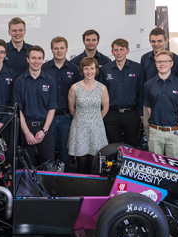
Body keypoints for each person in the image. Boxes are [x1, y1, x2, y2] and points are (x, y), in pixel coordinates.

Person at [140, 28, 178, 146]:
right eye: (153, 41)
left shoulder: (176, 59)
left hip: (171, 104)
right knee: (152, 138)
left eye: (159, 41)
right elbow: (142, 83)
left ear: (166, 40)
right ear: (150, 41)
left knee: (171, 142)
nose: (156, 44)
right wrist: (141, 110)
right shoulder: (145, 58)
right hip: (150, 103)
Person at [13, 46, 57, 166]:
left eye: (39, 58)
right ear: (27, 59)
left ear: (43, 60)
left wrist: (44, 130)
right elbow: (18, 110)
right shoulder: (19, 81)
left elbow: (51, 108)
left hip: (44, 127)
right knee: (27, 166)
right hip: (26, 127)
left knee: (49, 164)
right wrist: (27, 132)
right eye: (33, 58)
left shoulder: (50, 81)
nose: (36, 61)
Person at [42, 36, 81, 171]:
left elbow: (79, 94)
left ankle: (65, 178)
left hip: (67, 116)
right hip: (49, 117)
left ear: (67, 49)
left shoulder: (74, 69)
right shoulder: (44, 68)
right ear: (52, 50)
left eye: (62, 48)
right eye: (56, 48)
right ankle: (49, 179)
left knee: (65, 150)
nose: (59, 51)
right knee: (49, 150)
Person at [67, 57, 109, 174]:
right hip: (80, 128)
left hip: (96, 128)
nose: (89, 71)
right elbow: (71, 108)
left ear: (96, 70)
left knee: (94, 161)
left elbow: (105, 108)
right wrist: (83, 118)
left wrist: (95, 119)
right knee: (81, 162)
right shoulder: (74, 88)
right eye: (86, 68)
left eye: (92, 68)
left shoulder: (102, 88)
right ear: (82, 70)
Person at [143, 50, 178, 158]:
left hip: (173, 132)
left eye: (165, 61)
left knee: (173, 165)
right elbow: (148, 107)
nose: (162, 64)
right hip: (155, 132)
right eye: (159, 61)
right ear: (156, 64)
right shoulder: (148, 85)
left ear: (171, 63)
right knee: (155, 165)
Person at [101, 38, 144, 146]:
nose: (118, 53)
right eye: (116, 50)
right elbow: (100, 93)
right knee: (113, 146)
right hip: (111, 114)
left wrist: (140, 114)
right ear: (112, 52)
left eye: (121, 49)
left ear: (127, 50)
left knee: (131, 146)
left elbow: (141, 92)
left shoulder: (137, 68)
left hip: (132, 114)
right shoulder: (105, 69)